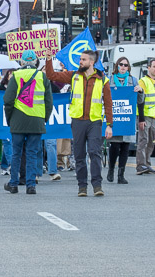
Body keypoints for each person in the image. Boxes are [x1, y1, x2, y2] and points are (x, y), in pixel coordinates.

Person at [45, 50, 113, 197]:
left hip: (94, 122)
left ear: (91, 62)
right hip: (77, 121)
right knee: (79, 155)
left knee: (95, 153)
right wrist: (49, 59)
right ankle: (82, 187)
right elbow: (51, 75)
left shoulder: (102, 79)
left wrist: (109, 125)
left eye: (83, 59)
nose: (80, 62)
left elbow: (108, 103)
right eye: (80, 59)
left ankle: (97, 185)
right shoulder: (74, 75)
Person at [3, 50, 53, 195]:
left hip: (18, 120)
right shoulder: (42, 76)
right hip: (36, 120)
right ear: (36, 62)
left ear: (22, 62)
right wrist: (44, 118)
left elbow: (8, 99)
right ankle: (31, 185)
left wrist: (10, 118)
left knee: (16, 153)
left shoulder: (16, 75)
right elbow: (49, 101)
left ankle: (13, 183)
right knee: (32, 153)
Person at [107, 57, 141, 184]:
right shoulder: (109, 80)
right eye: (121, 64)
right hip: (115, 117)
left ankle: (121, 174)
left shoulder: (133, 80)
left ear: (128, 67)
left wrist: (140, 91)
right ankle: (111, 169)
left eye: (125, 65)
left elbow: (140, 100)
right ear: (117, 66)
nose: (123, 67)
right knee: (115, 146)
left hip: (128, 117)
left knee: (126, 146)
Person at [136, 59, 155, 175]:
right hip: (144, 116)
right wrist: (141, 119)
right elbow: (140, 101)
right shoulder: (143, 81)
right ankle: (141, 165)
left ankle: (147, 164)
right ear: (148, 68)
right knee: (143, 140)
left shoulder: (154, 82)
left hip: (153, 117)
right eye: (154, 66)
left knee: (151, 141)